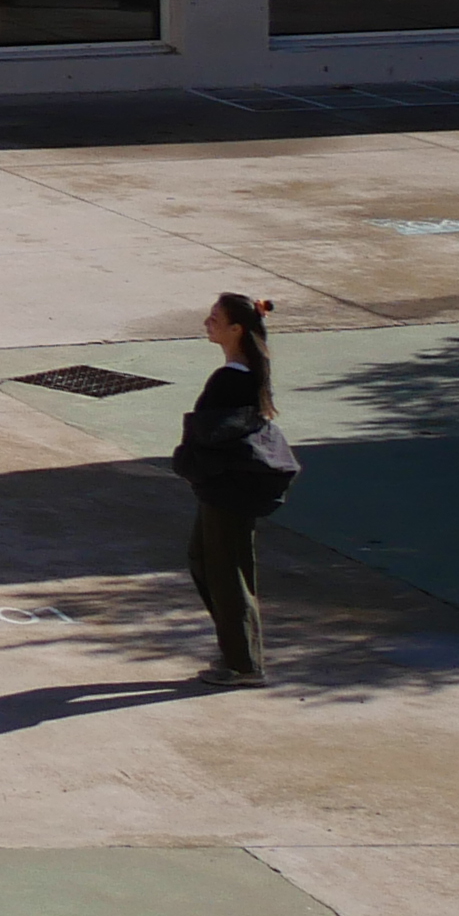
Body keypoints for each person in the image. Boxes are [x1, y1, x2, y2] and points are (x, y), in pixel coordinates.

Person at [175, 292, 288, 683]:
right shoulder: (245, 374)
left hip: (227, 489)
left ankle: (242, 663)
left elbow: (211, 436)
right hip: (226, 488)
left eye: (215, 318)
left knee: (225, 570)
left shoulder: (230, 381)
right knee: (206, 561)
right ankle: (235, 651)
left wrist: (190, 464)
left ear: (236, 329)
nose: (207, 322)